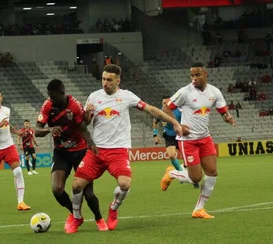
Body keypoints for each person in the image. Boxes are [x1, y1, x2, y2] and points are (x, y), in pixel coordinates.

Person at [68, 64, 187, 233]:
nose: (105, 83)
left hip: (118, 150)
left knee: (125, 184)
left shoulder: (127, 96)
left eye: (109, 80)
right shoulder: (94, 97)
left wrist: (175, 123)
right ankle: (76, 218)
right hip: (96, 150)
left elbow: (152, 110)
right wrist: (87, 113)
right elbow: (86, 123)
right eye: (103, 79)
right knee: (76, 185)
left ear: (118, 81)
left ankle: (114, 208)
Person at [163, 62, 236, 219]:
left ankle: (199, 209)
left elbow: (223, 111)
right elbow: (166, 108)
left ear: (205, 75)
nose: (194, 78)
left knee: (212, 172)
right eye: (192, 75)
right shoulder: (185, 92)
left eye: (197, 75)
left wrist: (227, 117)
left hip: (205, 138)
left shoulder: (214, 92)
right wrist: (178, 125)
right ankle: (173, 173)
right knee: (195, 178)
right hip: (187, 140)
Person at [36, 79, 107, 232]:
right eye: (49, 96)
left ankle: (99, 218)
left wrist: (92, 144)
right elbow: (37, 131)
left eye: (53, 96)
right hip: (61, 152)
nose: (51, 99)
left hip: (80, 152)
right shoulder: (48, 105)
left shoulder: (74, 106)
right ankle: (75, 215)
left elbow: (83, 129)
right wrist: (50, 129)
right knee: (57, 189)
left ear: (62, 93)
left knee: (88, 193)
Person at [154, 96, 198, 191]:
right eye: (163, 103)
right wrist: (155, 135)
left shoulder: (179, 111)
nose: (164, 104)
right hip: (169, 136)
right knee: (171, 155)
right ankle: (181, 173)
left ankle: (178, 172)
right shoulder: (160, 112)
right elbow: (155, 122)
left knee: (189, 159)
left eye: (166, 103)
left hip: (180, 135)